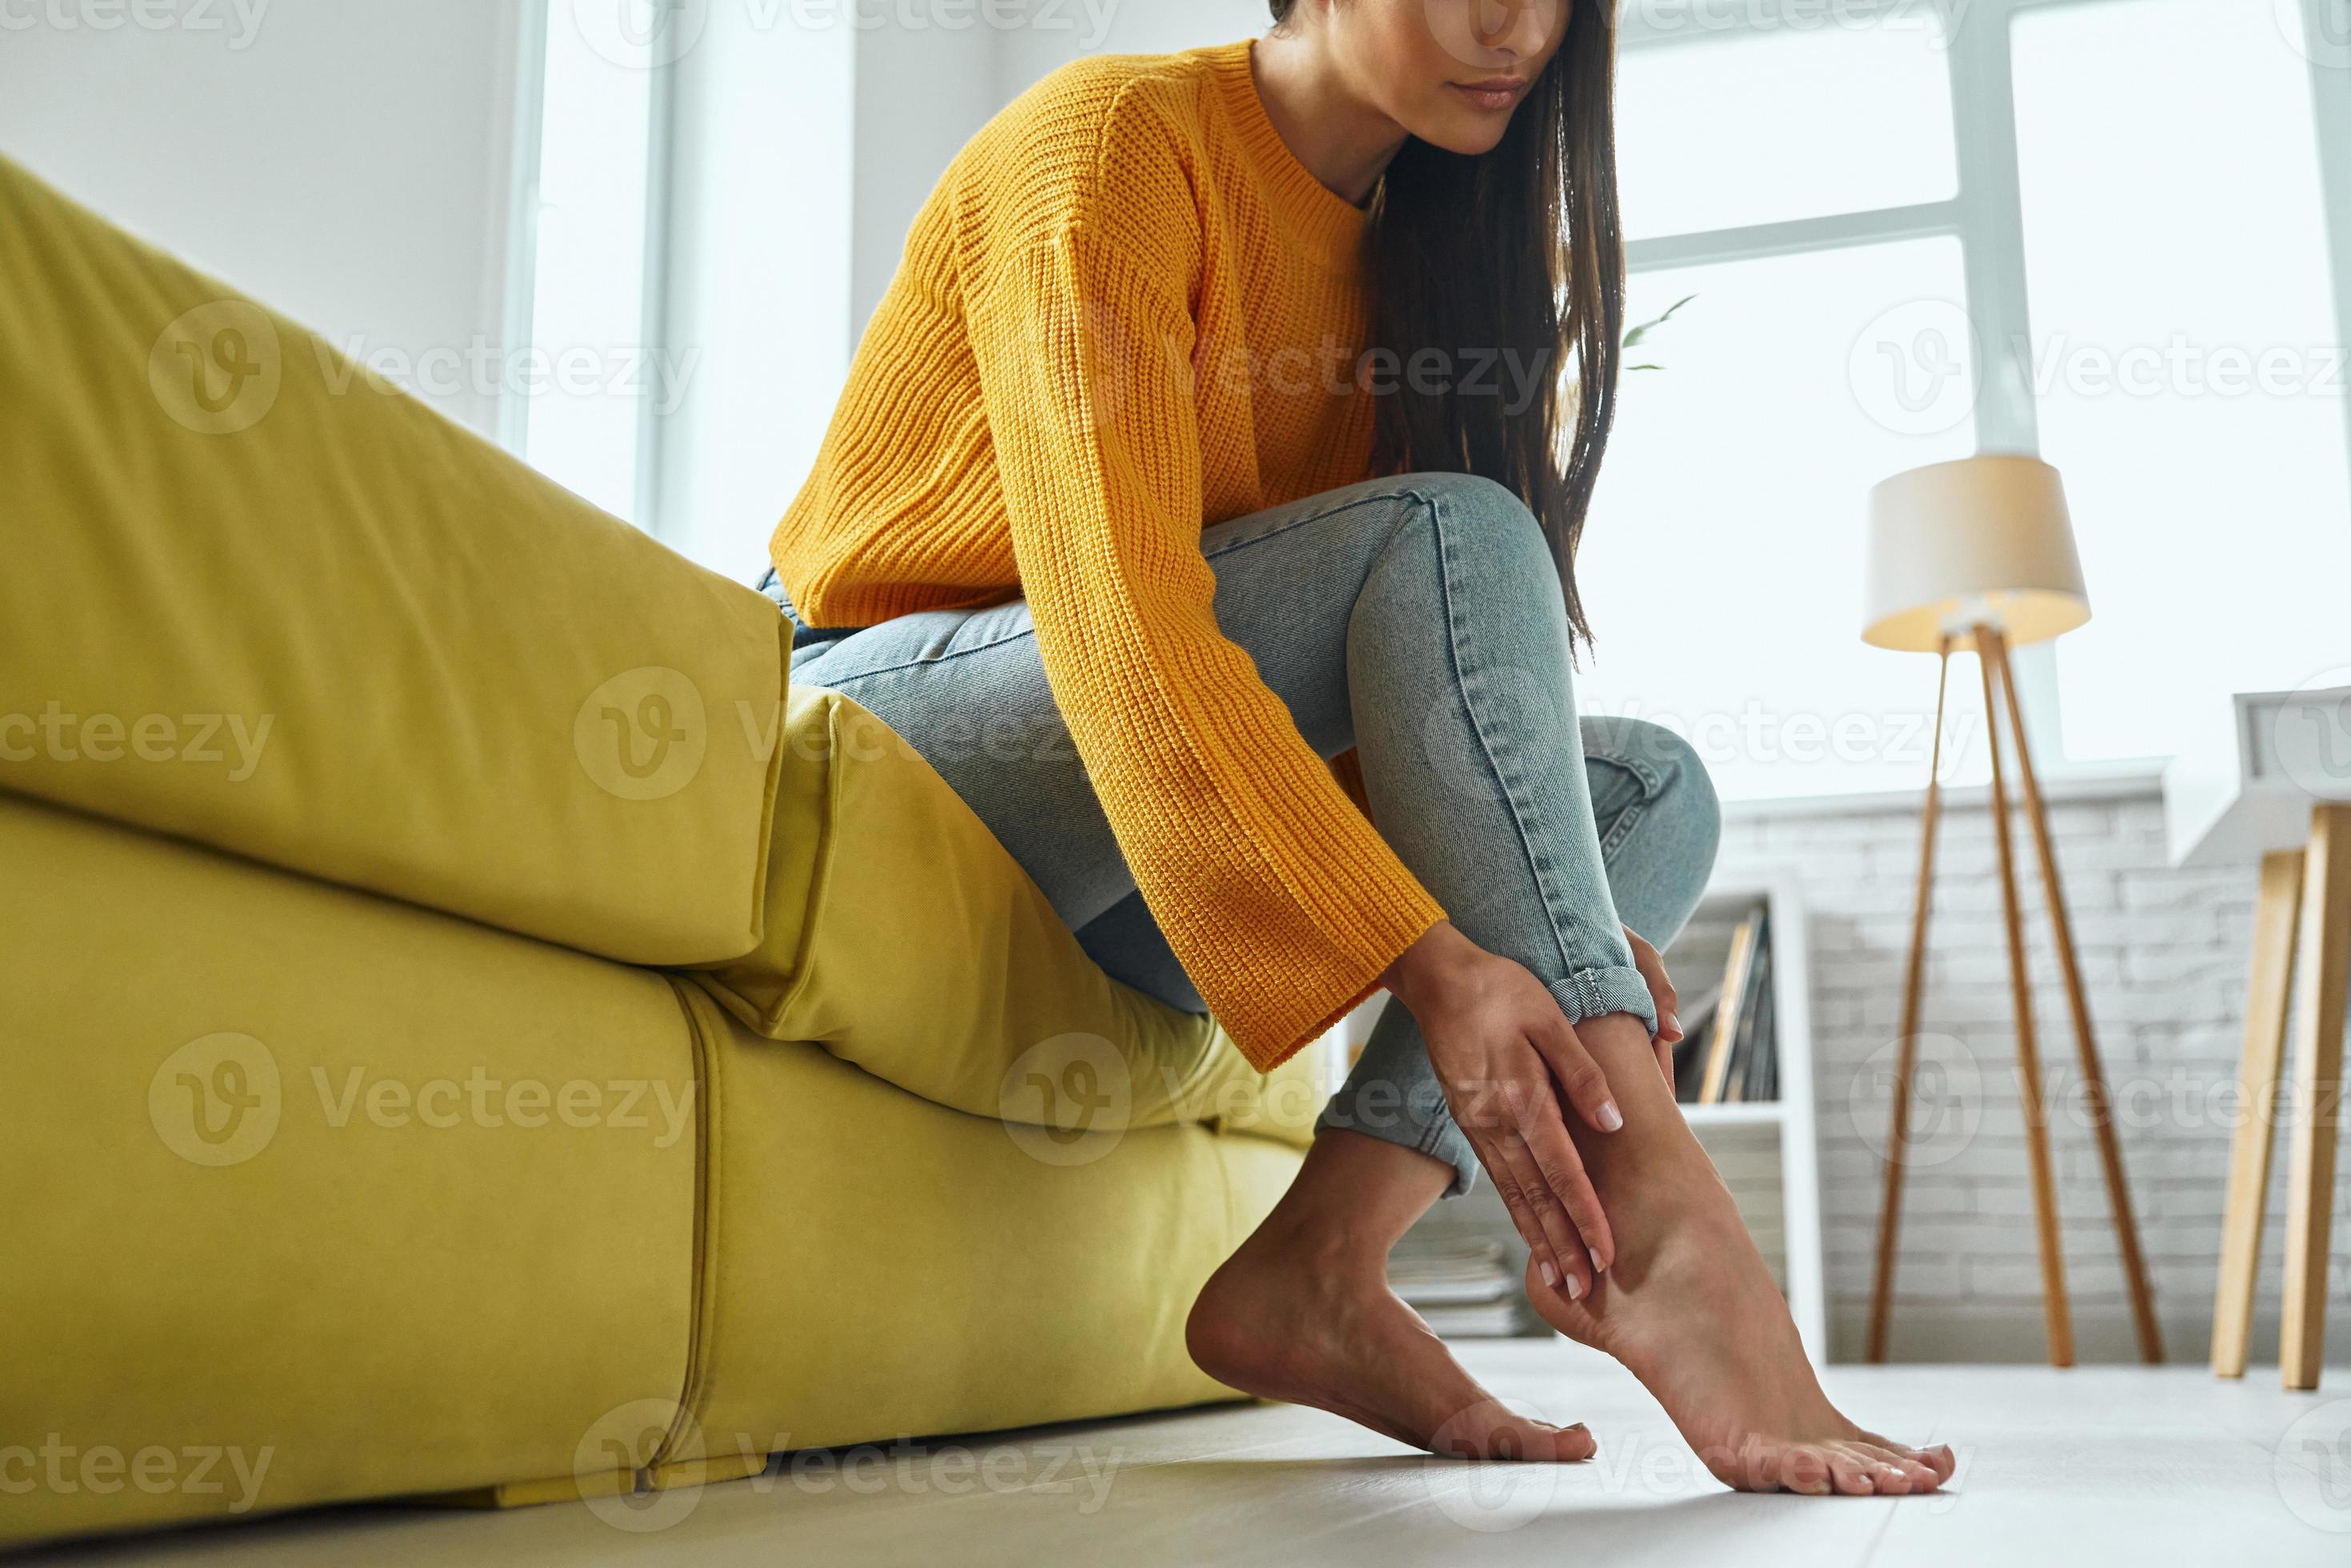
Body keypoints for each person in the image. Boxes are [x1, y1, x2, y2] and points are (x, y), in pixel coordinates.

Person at [762, 0, 1953, 1495]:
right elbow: (1121, 623)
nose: (1516, 26)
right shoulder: (1114, 144)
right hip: (899, 726)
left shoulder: (1426, 249)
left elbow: (1373, 694)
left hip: (1147, 858)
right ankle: (1665, 1221)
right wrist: (1432, 950)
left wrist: (1545, 900)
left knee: (1646, 792)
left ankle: (1318, 1270)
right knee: (1452, 533)